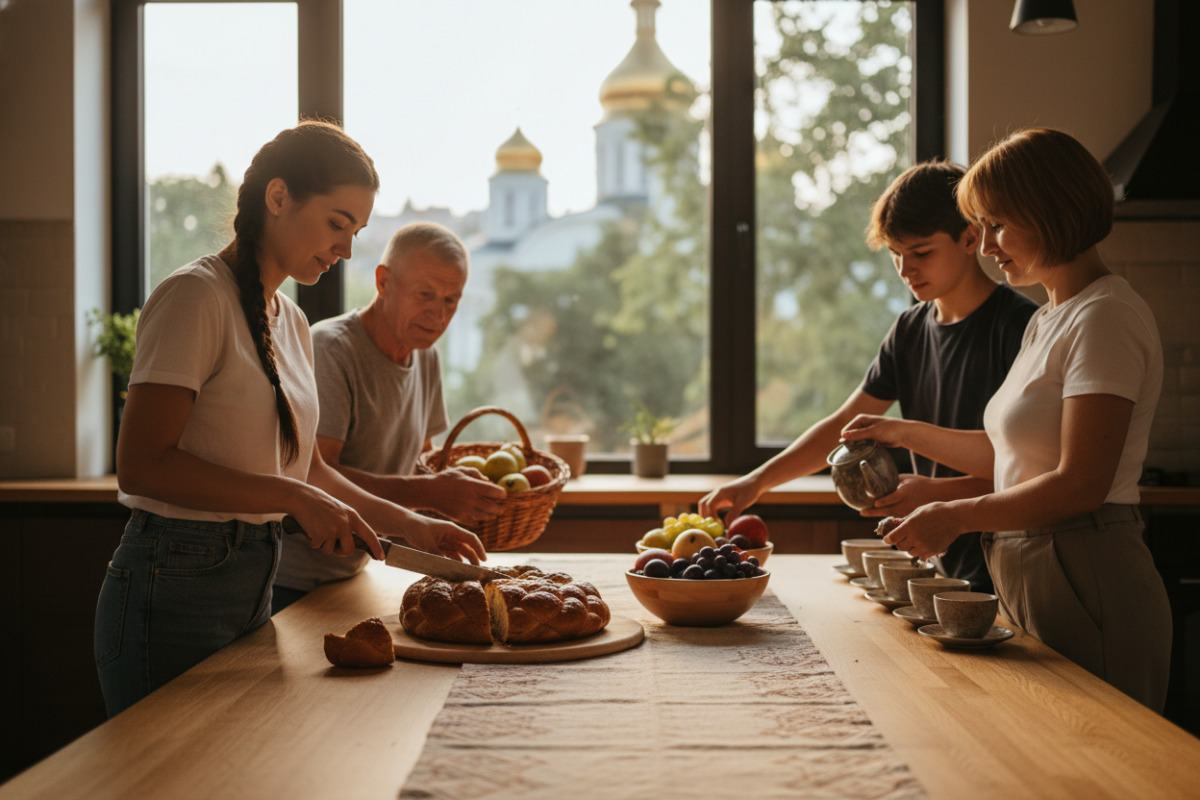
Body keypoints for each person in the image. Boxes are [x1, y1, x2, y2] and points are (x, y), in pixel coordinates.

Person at [94, 121, 486, 717]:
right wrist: (290, 495)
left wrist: (413, 524)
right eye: (337, 223)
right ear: (278, 198)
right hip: (172, 579)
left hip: (253, 573)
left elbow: (308, 470)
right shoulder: (195, 297)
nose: (347, 249)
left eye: (355, 230)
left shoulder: (292, 323)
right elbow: (141, 467)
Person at [842, 128, 1171, 711]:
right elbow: (1010, 458)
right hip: (1031, 562)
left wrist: (956, 515)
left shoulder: (1106, 317)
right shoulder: (1052, 319)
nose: (987, 245)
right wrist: (900, 431)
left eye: (996, 224)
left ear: (1048, 211)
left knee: (1103, 764)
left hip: (1083, 565)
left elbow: (1081, 484)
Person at [699, 160, 1037, 593]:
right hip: (941, 563)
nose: (905, 269)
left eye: (921, 252)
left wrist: (937, 493)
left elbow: (1029, 472)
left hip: (1012, 561)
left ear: (971, 237)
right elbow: (845, 428)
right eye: (896, 254)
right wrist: (758, 480)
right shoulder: (909, 331)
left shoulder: (1021, 327)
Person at [271, 222, 506, 611]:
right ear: (383, 282)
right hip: (292, 582)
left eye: (452, 300)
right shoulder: (331, 350)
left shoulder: (425, 354)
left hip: (355, 571)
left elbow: (420, 464)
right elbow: (316, 475)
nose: (438, 314)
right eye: (426, 294)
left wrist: (458, 491)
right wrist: (430, 494)